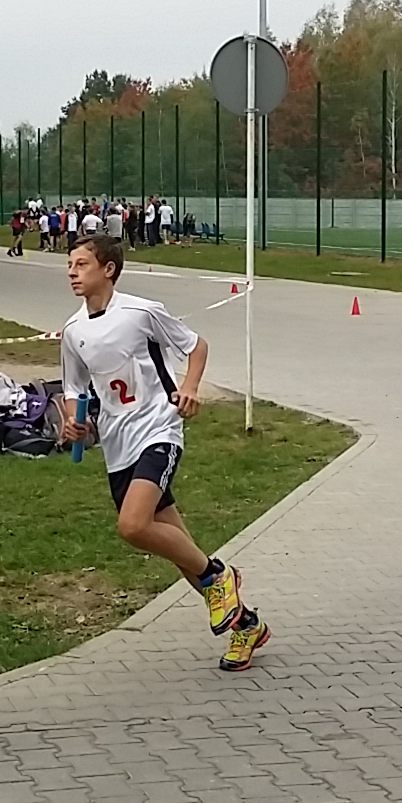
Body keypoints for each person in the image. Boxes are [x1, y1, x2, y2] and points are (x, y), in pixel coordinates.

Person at [55, 235, 268, 671]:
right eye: (70, 265)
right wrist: (74, 422)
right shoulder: (73, 331)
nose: (72, 272)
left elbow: (196, 345)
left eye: (81, 264)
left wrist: (188, 387)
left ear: (108, 269)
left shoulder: (141, 312)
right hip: (117, 445)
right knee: (180, 550)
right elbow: (75, 389)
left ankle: (219, 576)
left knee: (133, 526)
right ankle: (245, 624)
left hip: (158, 429)